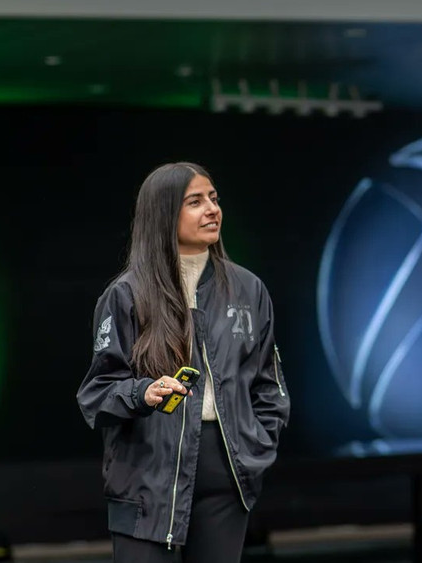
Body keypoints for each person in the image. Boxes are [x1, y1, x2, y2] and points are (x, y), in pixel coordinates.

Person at [76, 162, 289, 563]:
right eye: (195, 202)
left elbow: (268, 384)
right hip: (147, 481)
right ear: (164, 214)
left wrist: (257, 448)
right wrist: (145, 393)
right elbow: (97, 393)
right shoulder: (127, 294)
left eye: (214, 198)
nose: (212, 209)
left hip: (228, 478)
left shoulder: (248, 288)